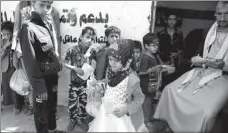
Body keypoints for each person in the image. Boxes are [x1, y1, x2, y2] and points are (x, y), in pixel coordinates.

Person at [153, 1, 228, 132]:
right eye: (219, 14)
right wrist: (195, 60)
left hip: (223, 77)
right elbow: (195, 56)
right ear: (215, 14)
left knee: (207, 112)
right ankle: (171, 126)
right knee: (169, 90)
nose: (222, 18)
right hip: (201, 70)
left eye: (227, 14)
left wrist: (222, 66)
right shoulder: (207, 32)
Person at [19, 1, 64, 133]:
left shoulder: (49, 24)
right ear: (33, 3)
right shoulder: (28, 27)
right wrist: (39, 86)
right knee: (41, 112)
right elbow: (30, 61)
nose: (46, 9)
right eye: (42, 5)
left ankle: (52, 130)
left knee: (51, 108)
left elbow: (52, 49)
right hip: (41, 79)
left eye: (48, 6)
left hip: (52, 76)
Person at [88, 39, 145, 132]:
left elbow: (139, 98)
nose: (112, 63)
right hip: (106, 112)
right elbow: (110, 84)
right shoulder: (110, 71)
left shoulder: (132, 78)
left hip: (121, 116)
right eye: (110, 59)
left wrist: (127, 109)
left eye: (117, 60)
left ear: (127, 60)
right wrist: (100, 85)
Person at [64, 26, 96, 132]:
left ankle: (81, 120)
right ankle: (73, 120)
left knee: (83, 103)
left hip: (86, 84)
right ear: (81, 36)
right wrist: (75, 68)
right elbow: (63, 62)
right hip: (74, 83)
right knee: (72, 103)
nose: (89, 41)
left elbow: (94, 65)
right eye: (87, 37)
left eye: (92, 39)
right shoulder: (72, 50)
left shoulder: (92, 52)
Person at [1, 21, 25, 115]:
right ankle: (10, 103)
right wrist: (4, 48)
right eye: (4, 34)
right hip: (5, 68)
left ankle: (17, 106)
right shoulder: (2, 42)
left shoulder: (16, 41)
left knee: (16, 88)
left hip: (15, 67)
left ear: (12, 33)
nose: (6, 36)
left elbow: (20, 53)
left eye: (8, 33)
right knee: (7, 87)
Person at [157, 13, 184, 85]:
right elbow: (156, 50)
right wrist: (160, 62)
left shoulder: (179, 34)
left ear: (176, 21)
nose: (172, 21)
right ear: (166, 20)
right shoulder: (160, 34)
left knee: (173, 83)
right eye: (170, 19)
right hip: (163, 62)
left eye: (174, 19)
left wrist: (177, 54)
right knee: (163, 84)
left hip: (175, 63)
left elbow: (182, 48)